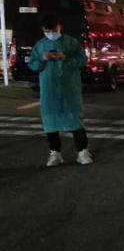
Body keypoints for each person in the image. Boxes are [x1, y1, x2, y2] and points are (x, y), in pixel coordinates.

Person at [27, 13, 92, 167]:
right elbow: (32, 65)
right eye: (47, 31)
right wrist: (42, 59)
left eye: (53, 30)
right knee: (50, 122)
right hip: (49, 89)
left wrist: (66, 58)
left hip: (69, 88)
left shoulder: (71, 42)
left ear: (59, 27)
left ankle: (82, 152)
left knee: (75, 120)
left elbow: (83, 60)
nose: (51, 34)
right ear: (43, 29)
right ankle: (55, 153)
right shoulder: (40, 45)